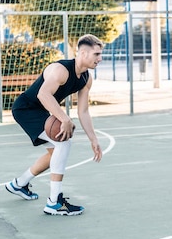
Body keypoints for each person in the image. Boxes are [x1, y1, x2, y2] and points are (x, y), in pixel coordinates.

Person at [6, 34, 104, 216]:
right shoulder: (60, 70)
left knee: (55, 153)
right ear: (83, 53)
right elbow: (43, 94)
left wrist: (93, 139)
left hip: (42, 111)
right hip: (26, 109)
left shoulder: (86, 79)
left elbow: (83, 111)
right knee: (64, 143)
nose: (100, 58)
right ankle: (54, 202)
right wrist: (64, 119)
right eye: (96, 54)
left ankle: (19, 184)